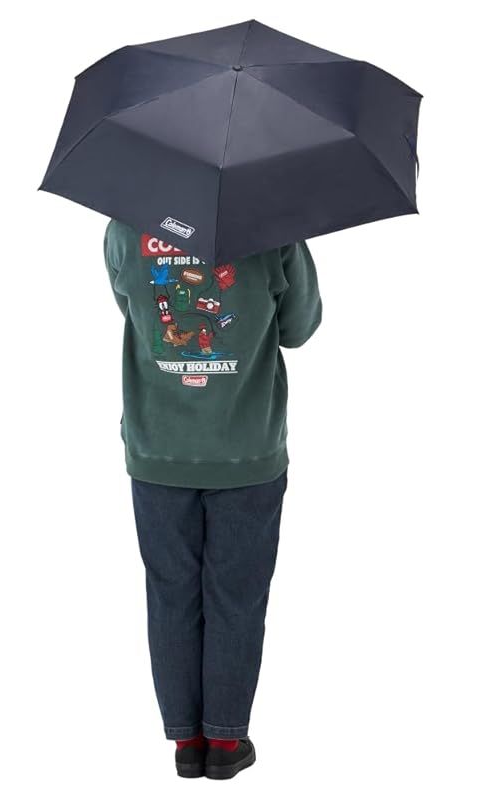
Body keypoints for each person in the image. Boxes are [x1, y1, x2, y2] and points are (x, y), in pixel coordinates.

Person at [103, 218, 322, 779]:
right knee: (237, 598)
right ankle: (225, 741)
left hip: (158, 447)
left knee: (170, 594)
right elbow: (299, 328)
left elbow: (132, 310)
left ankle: (186, 740)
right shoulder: (276, 225)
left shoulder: (125, 226)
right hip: (246, 449)